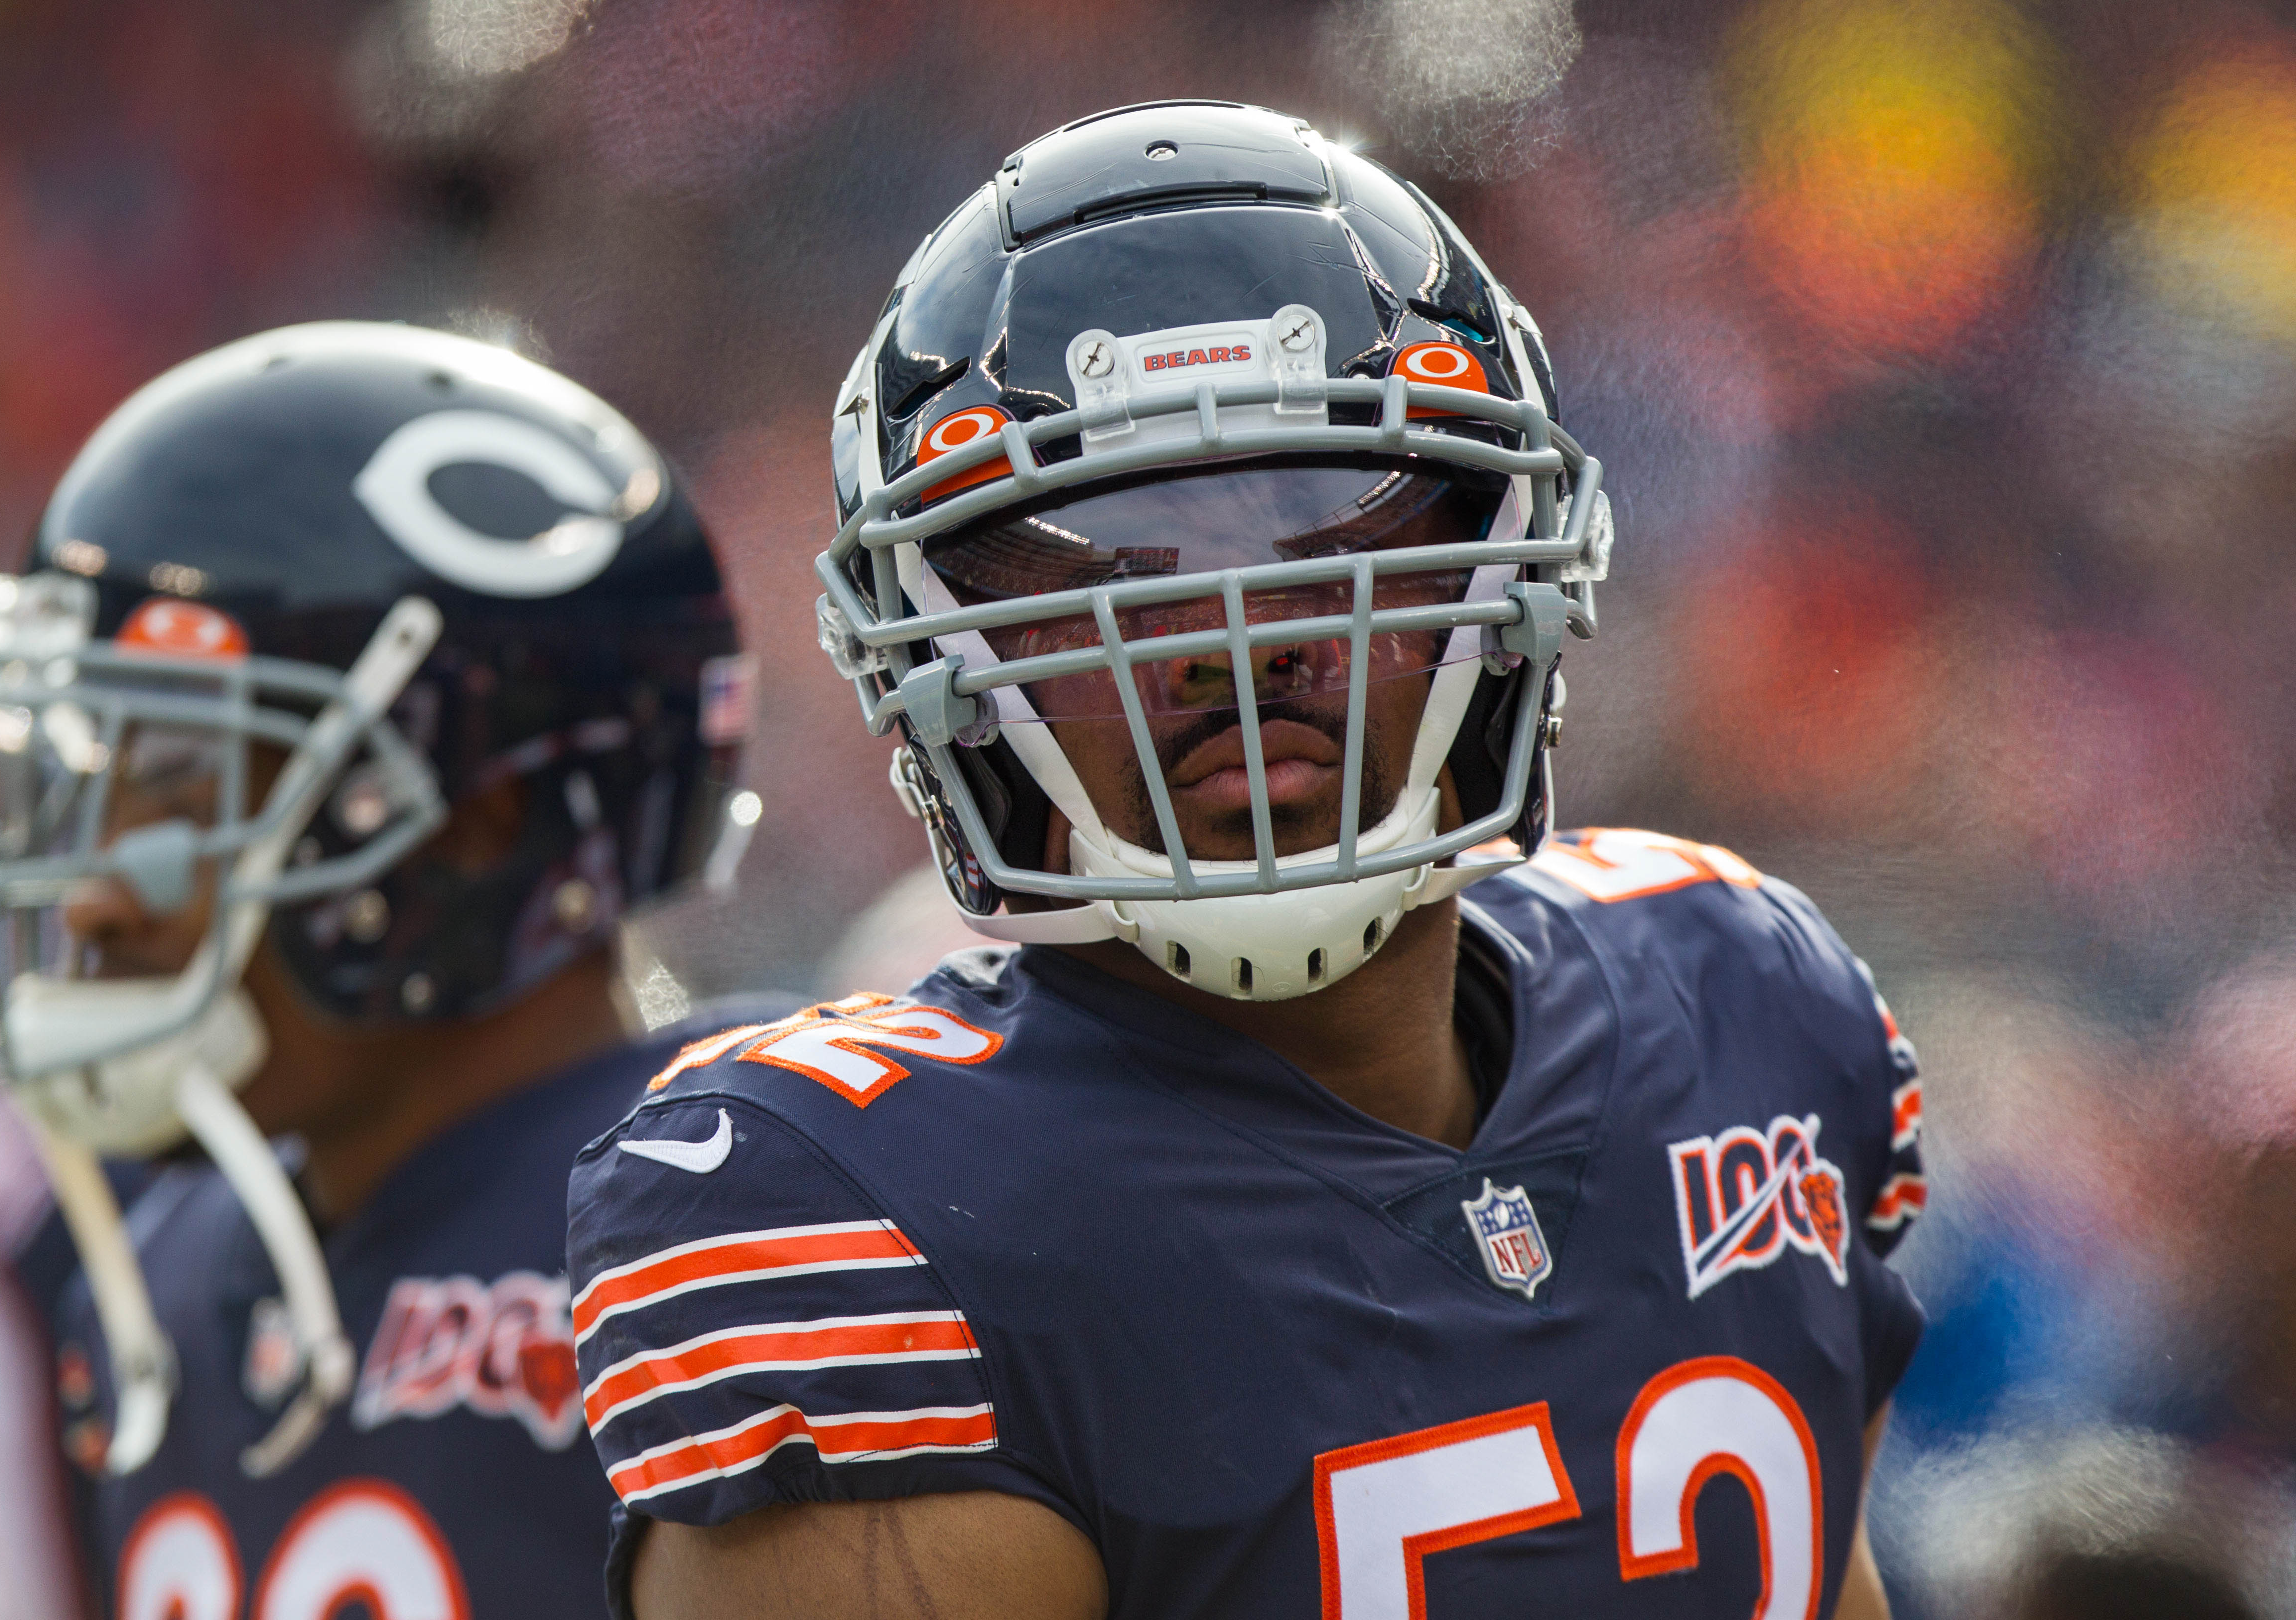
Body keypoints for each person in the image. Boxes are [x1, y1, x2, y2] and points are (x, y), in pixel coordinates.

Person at [568, 101, 1926, 1619]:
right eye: (1106, 577)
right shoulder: (853, 1207)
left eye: (1322, 532)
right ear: (940, 673)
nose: (1234, 649)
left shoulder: (1741, 993)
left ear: (1508, 578)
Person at [0, 322, 783, 1617]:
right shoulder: (174, 1273)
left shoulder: (753, 1215)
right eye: (96, 787)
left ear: (474, 826)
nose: (94, 894)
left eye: (186, 791)